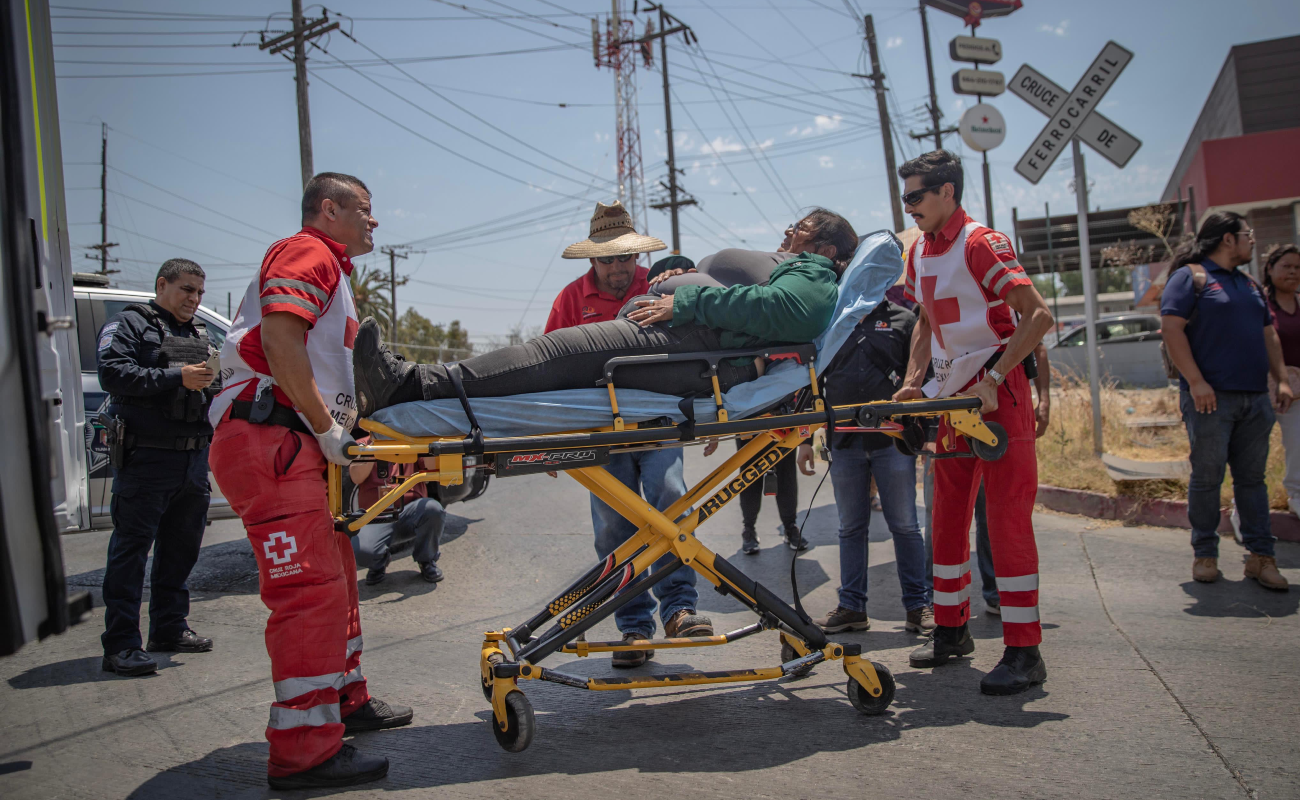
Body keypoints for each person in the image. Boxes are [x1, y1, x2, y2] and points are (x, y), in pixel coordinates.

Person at [207, 173, 411, 790]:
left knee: (337, 577)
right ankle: (301, 750)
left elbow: (318, 362)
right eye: (365, 211)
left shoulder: (333, 269)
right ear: (330, 210)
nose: (375, 222)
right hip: (272, 438)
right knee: (308, 593)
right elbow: (279, 337)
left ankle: (345, 701)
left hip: (291, 439)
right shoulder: (309, 251)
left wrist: (344, 436)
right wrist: (328, 432)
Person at [352, 209, 857, 413]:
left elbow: (792, 313)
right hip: (683, 337)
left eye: (804, 226)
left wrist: (686, 299)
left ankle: (411, 384)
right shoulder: (572, 294)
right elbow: (739, 291)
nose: (791, 230)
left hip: (691, 348)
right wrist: (682, 272)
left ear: (828, 249)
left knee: (556, 354)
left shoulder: (812, 272)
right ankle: (416, 384)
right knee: (554, 357)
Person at [892, 150, 1055, 696]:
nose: (908, 206)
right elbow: (924, 321)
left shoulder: (982, 242)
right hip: (949, 402)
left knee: (1005, 523)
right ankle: (951, 631)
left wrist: (996, 377)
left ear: (947, 193)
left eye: (916, 196)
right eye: (905, 197)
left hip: (997, 399)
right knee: (946, 519)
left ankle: (1025, 651)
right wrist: (915, 379)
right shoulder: (921, 250)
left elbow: (1038, 315)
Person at [545, 201, 711, 668]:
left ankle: (680, 610)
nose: (619, 269)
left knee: (670, 500)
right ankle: (633, 627)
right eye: (608, 259)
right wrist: (556, 433)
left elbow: (700, 346)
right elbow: (550, 369)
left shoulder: (661, 284)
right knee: (614, 529)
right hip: (601, 433)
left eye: (626, 258)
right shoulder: (570, 300)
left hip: (658, 421)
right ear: (592, 259)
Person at [96, 258, 218, 677]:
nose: (194, 299)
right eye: (187, 290)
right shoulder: (129, 325)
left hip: (192, 459)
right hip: (147, 458)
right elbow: (112, 373)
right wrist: (176, 377)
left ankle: (168, 627)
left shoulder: (198, 332)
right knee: (131, 552)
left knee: (181, 549)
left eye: (200, 292)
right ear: (162, 284)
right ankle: (121, 644)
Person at [1161, 213, 1291, 591]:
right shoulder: (1190, 277)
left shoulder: (1250, 284)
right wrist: (1197, 382)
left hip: (1255, 400)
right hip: (1209, 400)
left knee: (1253, 481)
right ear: (1228, 240)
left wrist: (1281, 379)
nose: (1252, 242)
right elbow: (1171, 329)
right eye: (1248, 235)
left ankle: (1261, 558)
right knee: (1207, 478)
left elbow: (1270, 336)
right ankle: (1205, 553)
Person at [798, 295, 936, 635]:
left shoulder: (906, 321)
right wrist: (803, 439)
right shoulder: (833, 321)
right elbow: (813, 382)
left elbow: (924, 379)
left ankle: (918, 606)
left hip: (893, 442)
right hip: (845, 443)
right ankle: (852, 607)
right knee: (850, 527)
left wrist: (930, 434)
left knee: (904, 525)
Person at [348, 436, 446, 586]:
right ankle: (379, 562)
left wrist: (430, 441)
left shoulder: (409, 439)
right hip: (377, 516)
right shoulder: (361, 444)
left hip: (409, 512)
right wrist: (372, 447)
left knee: (433, 509)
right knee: (361, 550)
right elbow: (356, 477)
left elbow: (433, 467)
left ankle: (427, 560)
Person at [1263, 244, 1300, 519]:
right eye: (1286, 266)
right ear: (1270, 269)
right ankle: (1245, 508)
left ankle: (1296, 497)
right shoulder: (1258, 303)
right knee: (1252, 454)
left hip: (1296, 392)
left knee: (1298, 445)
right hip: (1260, 390)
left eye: (1297, 267)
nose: (1293, 272)